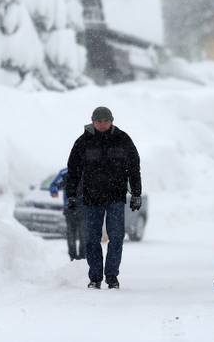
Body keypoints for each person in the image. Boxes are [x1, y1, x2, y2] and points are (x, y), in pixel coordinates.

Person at [65, 106, 142, 290]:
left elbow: (134, 168)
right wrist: (72, 196)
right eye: (98, 121)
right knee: (92, 239)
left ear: (111, 121)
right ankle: (95, 277)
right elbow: (73, 171)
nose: (102, 124)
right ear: (92, 121)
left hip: (116, 197)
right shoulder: (83, 142)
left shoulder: (122, 139)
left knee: (116, 237)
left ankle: (112, 276)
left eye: (105, 121)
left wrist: (136, 193)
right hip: (91, 198)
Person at [48, 168, 84, 261]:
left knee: (84, 236)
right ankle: (73, 258)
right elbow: (53, 185)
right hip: (70, 209)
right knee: (71, 234)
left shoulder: (88, 170)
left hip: (85, 210)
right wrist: (54, 191)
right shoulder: (65, 172)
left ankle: (82, 259)